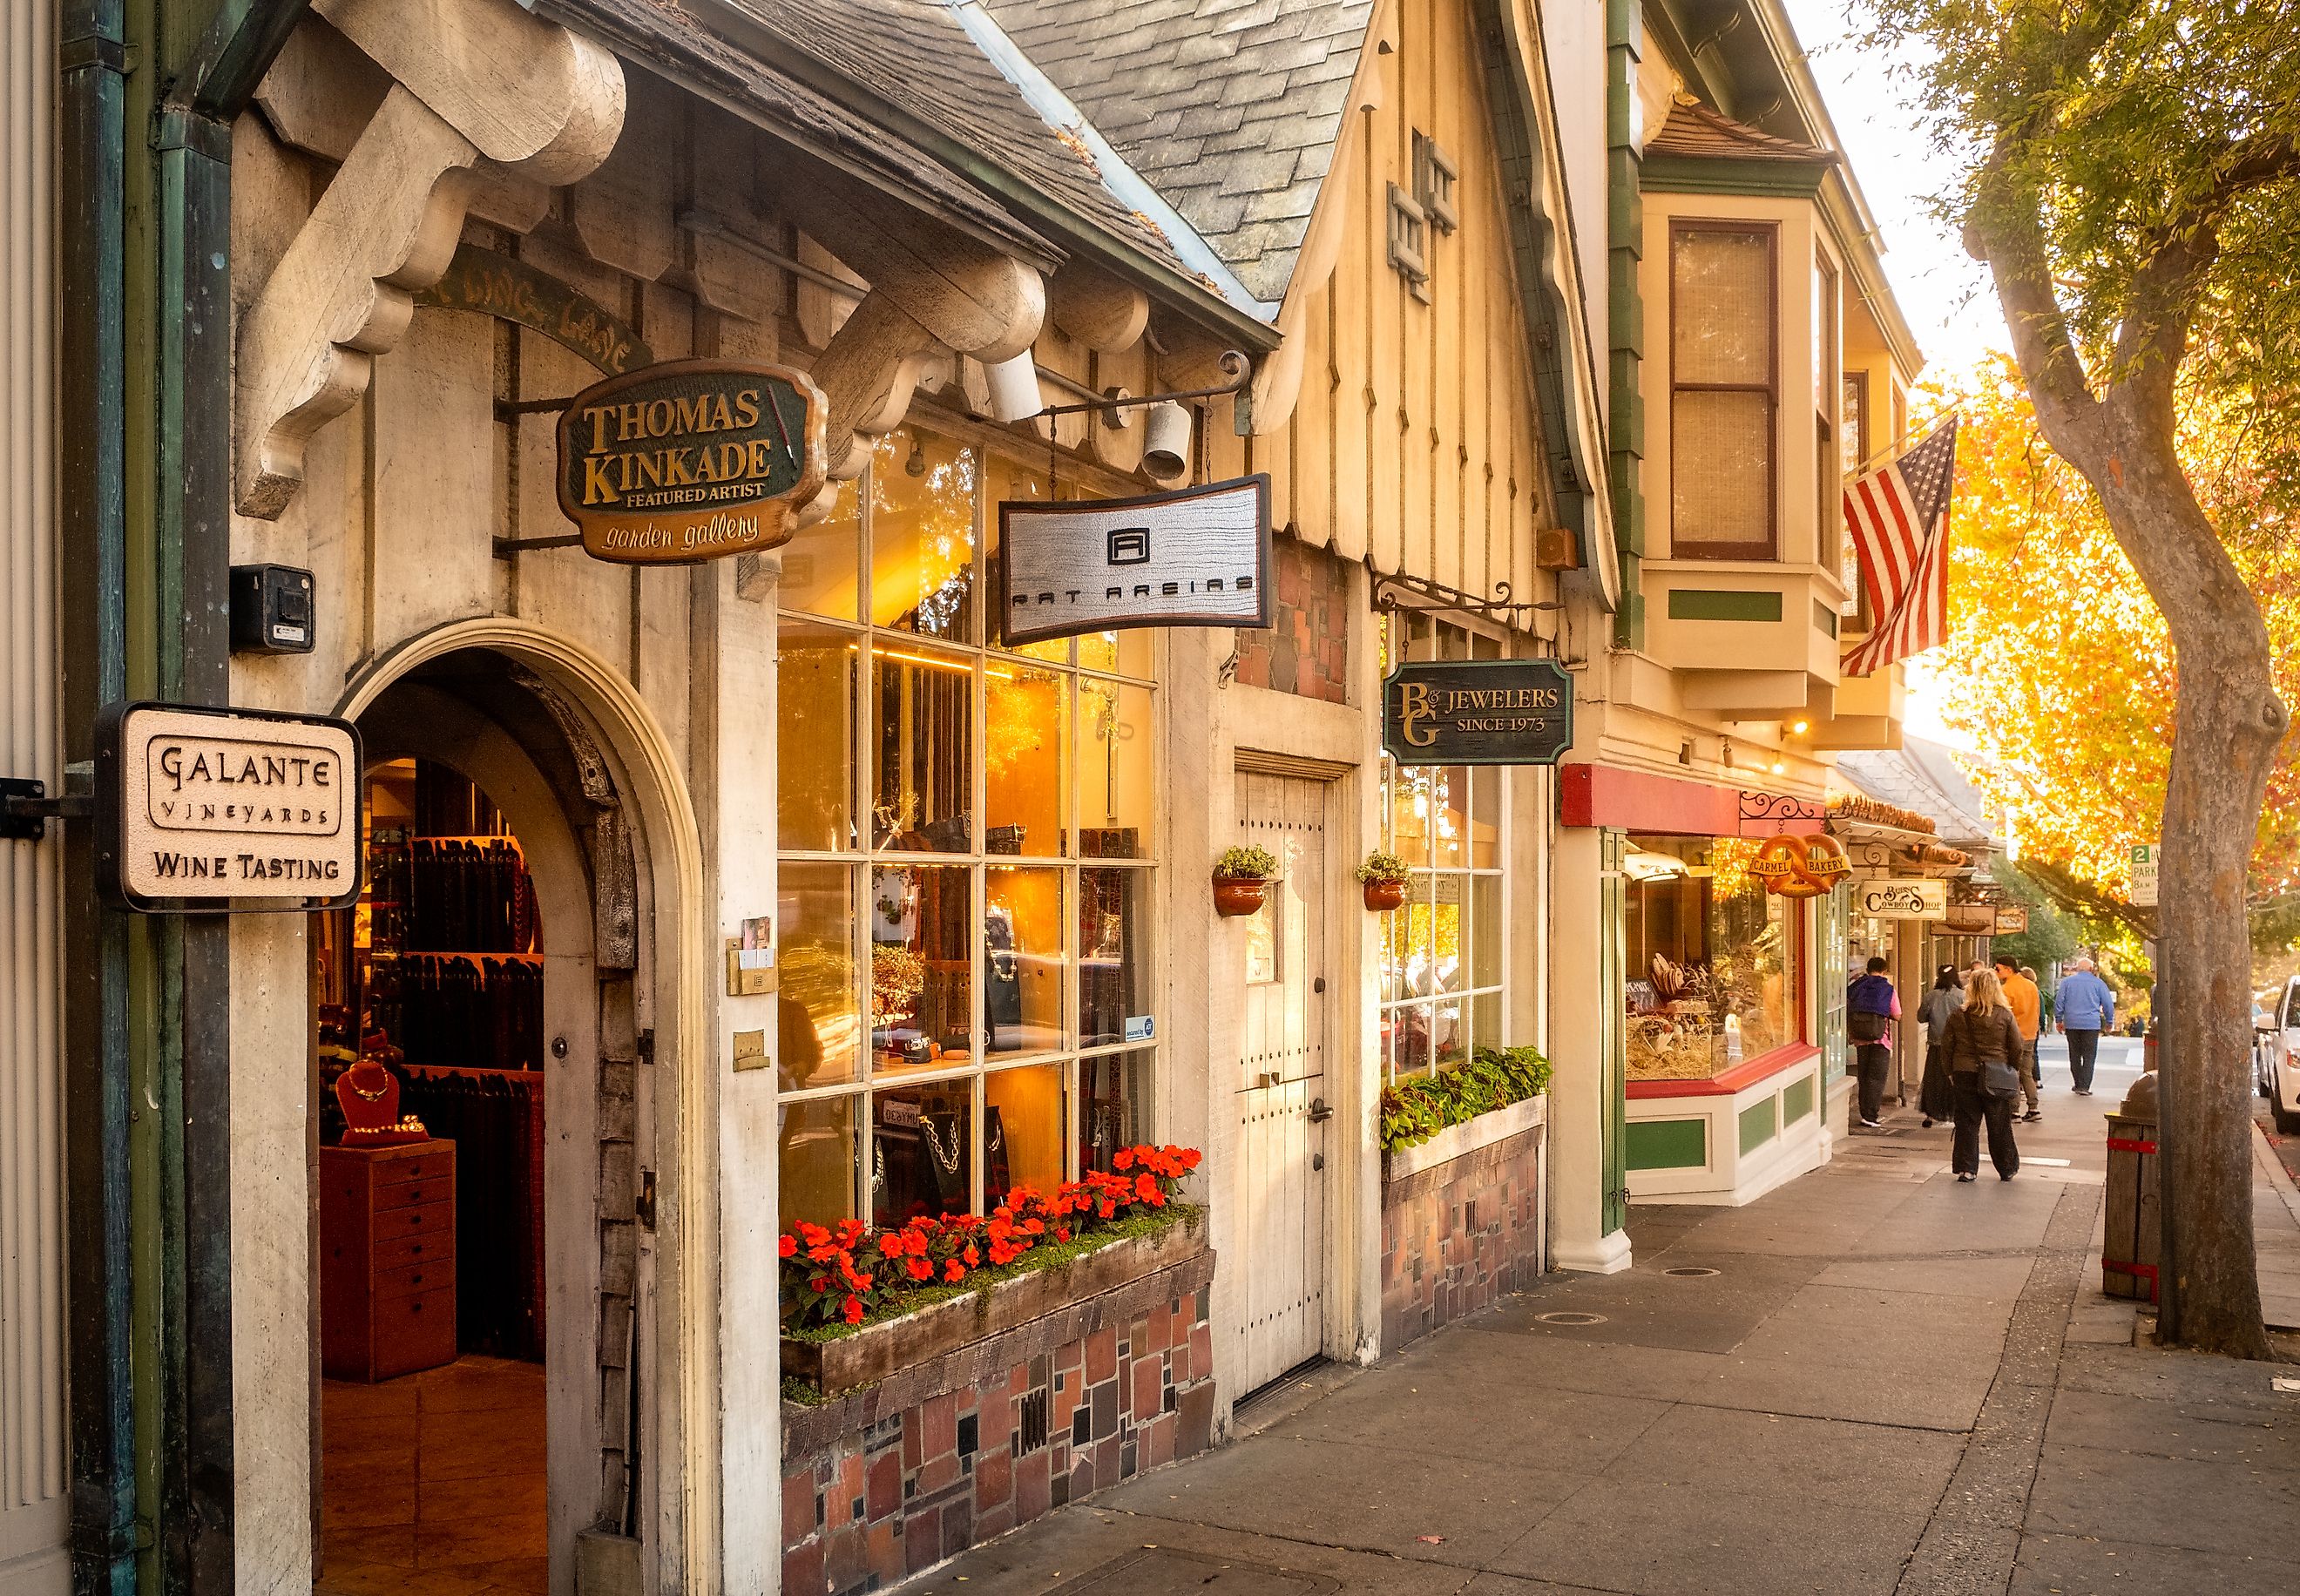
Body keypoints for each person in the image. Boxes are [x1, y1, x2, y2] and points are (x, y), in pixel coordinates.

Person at [1945, 967, 2024, 1181]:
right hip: (1996, 1073)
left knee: (1967, 1122)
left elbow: (1947, 1046)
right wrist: (2012, 1069)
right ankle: (2007, 1167)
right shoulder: (2004, 1015)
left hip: (1964, 1072)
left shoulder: (1958, 1015)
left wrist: (1950, 1071)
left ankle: (1966, 1168)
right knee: (1999, 1123)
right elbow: (2017, 1046)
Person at [1846, 956, 1900, 1127]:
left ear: (1868, 969)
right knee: (1876, 1078)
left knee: (1864, 1075)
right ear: (1884, 971)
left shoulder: (1856, 986)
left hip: (1860, 1038)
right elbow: (1897, 1014)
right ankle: (1871, 1115)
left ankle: (1864, 1112)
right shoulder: (1887, 988)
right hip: (1880, 1039)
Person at [2053, 956, 2117, 1097]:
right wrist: (2109, 1022)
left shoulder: (2067, 983)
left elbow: (2059, 1001)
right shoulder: (2098, 983)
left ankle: (2077, 1083)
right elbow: (2108, 1004)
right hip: (2091, 1024)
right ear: (2090, 969)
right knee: (2089, 1055)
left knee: (2074, 1054)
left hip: (2072, 1023)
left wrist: (2059, 1019)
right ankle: (2085, 1085)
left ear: (2077, 968)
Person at [1994, 954, 2043, 1122]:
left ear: (2008, 969)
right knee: (2027, 1073)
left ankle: (2014, 1111)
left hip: (2014, 1036)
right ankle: (2033, 1107)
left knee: (2013, 1073)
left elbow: (2004, 1015)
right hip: (2030, 1034)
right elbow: (2036, 1010)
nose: (1996, 971)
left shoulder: (2007, 989)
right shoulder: (2031, 986)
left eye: (1998, 968)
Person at [1914, 964, 1963, 1126]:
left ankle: (1931, 1113)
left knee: (1934, 1079)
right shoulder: (1963, 996)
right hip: (1957, 1045)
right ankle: (1954, 1111)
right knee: (1954, 1079)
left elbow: (1921, 1017)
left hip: (1936, 1044)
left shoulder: (1931, 996)